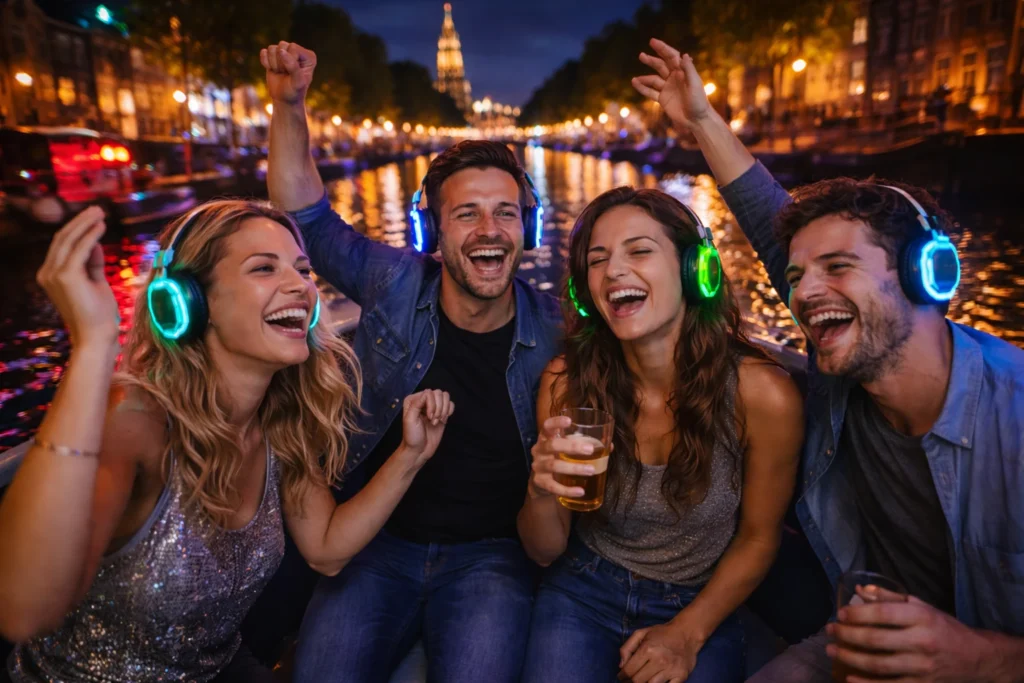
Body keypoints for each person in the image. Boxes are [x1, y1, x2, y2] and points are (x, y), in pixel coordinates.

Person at [632, 38, 1024, 682]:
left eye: (838, 267)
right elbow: (769, 218)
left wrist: (976, 659)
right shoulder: (841, 372)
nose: (805, 293)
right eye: (797, 277)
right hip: (861, 640)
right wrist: (702, 121)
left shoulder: (1013, 418)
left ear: (927, 275)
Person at [0, 201, 454, 682]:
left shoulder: (280, 424)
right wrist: (94, 344)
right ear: (191, 301)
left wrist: (412, 454)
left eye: (302, 270)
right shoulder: (136, 421)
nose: (300, 285)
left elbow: (325, 546)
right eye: (263, 268)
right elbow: (24, 608)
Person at [261, 41, 562, 682]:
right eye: (467, 214)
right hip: (374, 540)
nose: (489, 230)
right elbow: (303, 218)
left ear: (528, 230)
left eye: (506, 213)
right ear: (433, 232)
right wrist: (288, 105)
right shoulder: (396, 282)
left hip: (493, 557)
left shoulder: (559, 329)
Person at [518, 186, 805, 683]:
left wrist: (687, 634)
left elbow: (760, 538)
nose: (613, 272)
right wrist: (541, 492)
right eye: (598, 260)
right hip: (583, 588)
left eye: (640, 251)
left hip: (697, 598)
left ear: (696, 270)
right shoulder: (566, 383)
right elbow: (544, 550)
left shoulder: (762, 395)